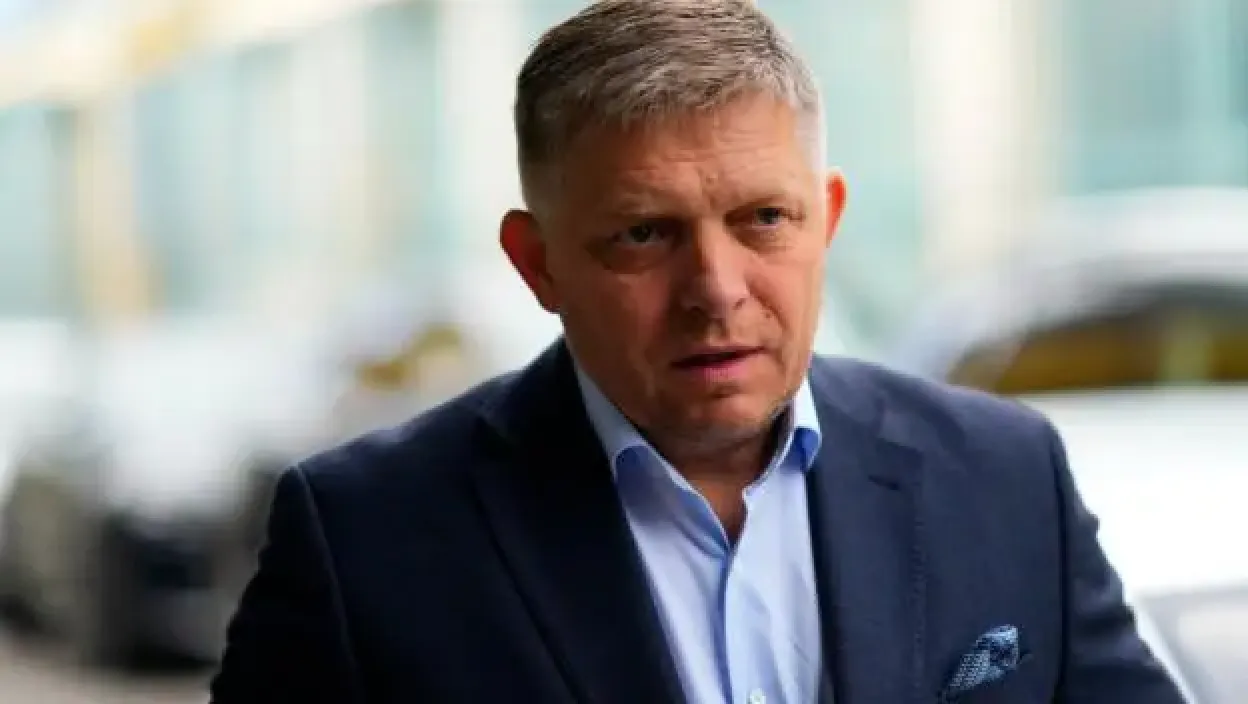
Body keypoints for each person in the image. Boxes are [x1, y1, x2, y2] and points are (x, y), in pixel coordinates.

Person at [209, 1, 1188, 702]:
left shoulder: (1004, 476)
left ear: (826, 219)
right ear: (537, 262)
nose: (716, 288)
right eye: (644, 234)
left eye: (764, 218)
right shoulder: (365, 541)